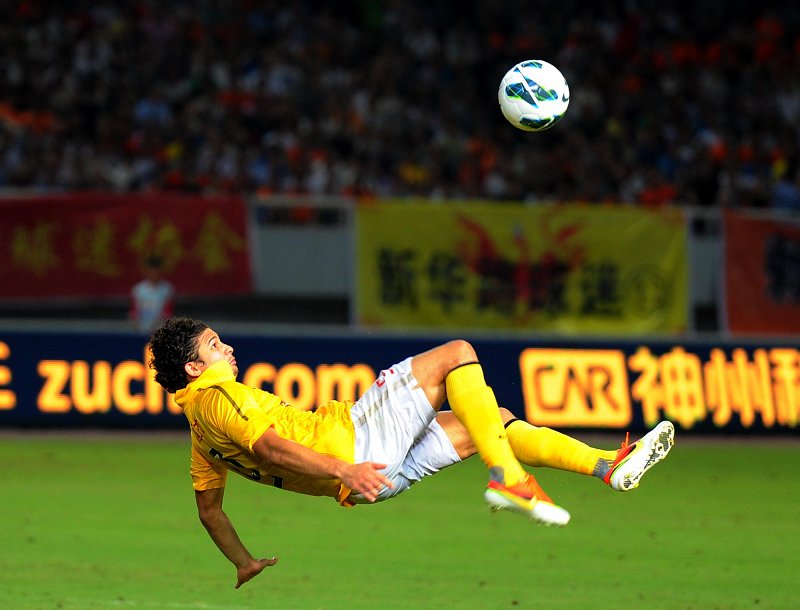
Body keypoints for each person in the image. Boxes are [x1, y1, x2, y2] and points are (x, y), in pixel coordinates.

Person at [148, 316, 675, 589]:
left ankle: (606, 466)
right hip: (357, 448)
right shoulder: (220, 398)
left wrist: (244, 562)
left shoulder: (198, 429)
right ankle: (509, 478)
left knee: (492, 421)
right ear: (195, 368)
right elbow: (272, 447)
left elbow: (209, 511)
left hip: (373, 482)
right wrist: (344, 467)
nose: (228, 348)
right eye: (215, 345)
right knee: (457, 355)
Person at [130, 255, 175, 333]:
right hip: (141, 328)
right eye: (151, 270)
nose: (154, 274)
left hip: (160, 330)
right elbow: (135, 310)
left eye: (156, 271)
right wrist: (135, 323)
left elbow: (168, 312)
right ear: (146, 271)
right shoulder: (139, 289)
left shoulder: (167, 289)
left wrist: (158, 325)